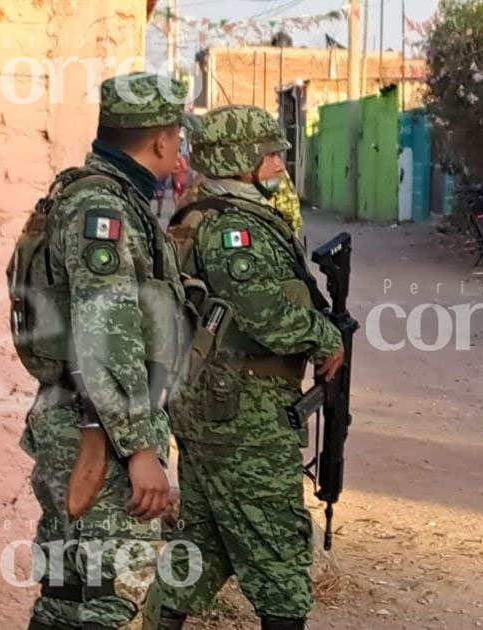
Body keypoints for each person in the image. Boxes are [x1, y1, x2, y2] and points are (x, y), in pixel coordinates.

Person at [149, 105, 345, 630]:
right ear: (242, 159)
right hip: (243, 413)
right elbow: (267, 316)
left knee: (203, 542)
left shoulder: (197, 216)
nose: (280, 164)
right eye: (271, 153)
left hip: (210, 404)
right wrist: (326, 335)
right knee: (279, 553)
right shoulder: (234, 228)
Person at [9, 72, 190, 630]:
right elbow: (105, 332)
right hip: (98, 433)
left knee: (67, 595)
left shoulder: (93, 195)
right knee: (105, 600)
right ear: (160, 141)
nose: (179, 152)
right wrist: (138, 450)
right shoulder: (101, 210)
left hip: (77, 419)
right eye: (177, 140)